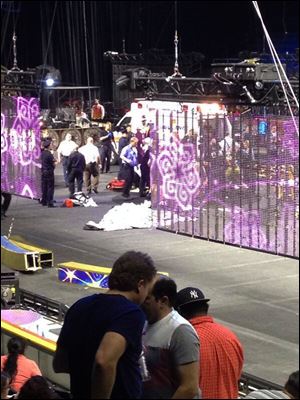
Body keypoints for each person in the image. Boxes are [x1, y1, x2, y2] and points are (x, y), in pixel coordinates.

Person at [53, 251, 157, 399]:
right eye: (148, 289)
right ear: (140, 285)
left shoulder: (79, 307)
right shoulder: (130, 313)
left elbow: (59, 363)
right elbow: (104, 361)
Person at [176, 286, 244, 399]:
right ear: (205, 308)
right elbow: (236, 378)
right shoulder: (231, 337)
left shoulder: (186, 341)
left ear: (179, 313)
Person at [141, 277, 200, 399]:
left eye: (147, 299)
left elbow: (189, 388)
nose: (140, 302)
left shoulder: (180, 331)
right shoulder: (144, 323)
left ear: (163, 301)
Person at [41, 138, 57, 207]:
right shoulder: (49, 154)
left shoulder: (42, 154)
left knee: (44, 187)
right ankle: (50, 202)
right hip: (49, 171)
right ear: (48, 146)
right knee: (50, 187)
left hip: (43, 171)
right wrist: (55, 164)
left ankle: (44, 201)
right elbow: (53, 163)